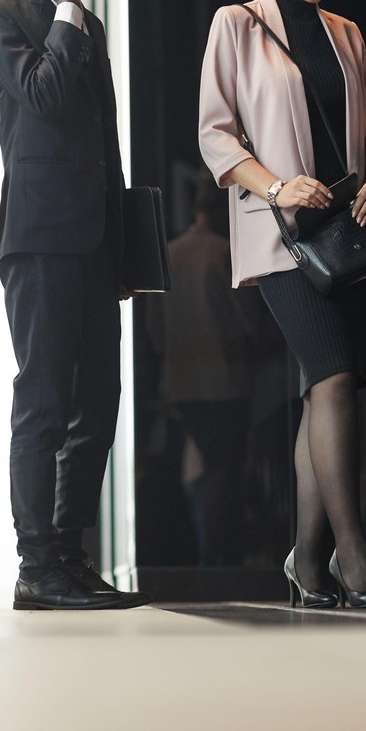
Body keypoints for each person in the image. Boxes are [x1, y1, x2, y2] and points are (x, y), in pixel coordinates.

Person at [198, 0, 366, 609]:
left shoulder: (347, 32)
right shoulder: (237, 24)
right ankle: (352, 554)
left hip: (346, 233)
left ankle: (307, 564)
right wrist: (278, 184)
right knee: (334, 376)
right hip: (282, 238)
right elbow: (215, 135)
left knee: (329, 387)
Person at [0, 0, 150, 611]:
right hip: (38, 236)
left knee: (99, 400)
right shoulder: (0, 15)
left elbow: (104, 140)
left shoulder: (91, 25)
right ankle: (36, 564)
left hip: (94, 238)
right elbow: (41, 95)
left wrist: (121, 242)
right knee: (43, 399)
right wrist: (70, 8)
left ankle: (70, 553)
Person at [145, 172, 263, 565]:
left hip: (183, 381)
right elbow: (245, 322)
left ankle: (211, 556)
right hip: (225, 379)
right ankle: (219, 558)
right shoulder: (226, 251)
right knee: (224, 467)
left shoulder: (168, 253)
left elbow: (154, 329)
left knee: (205, 464)